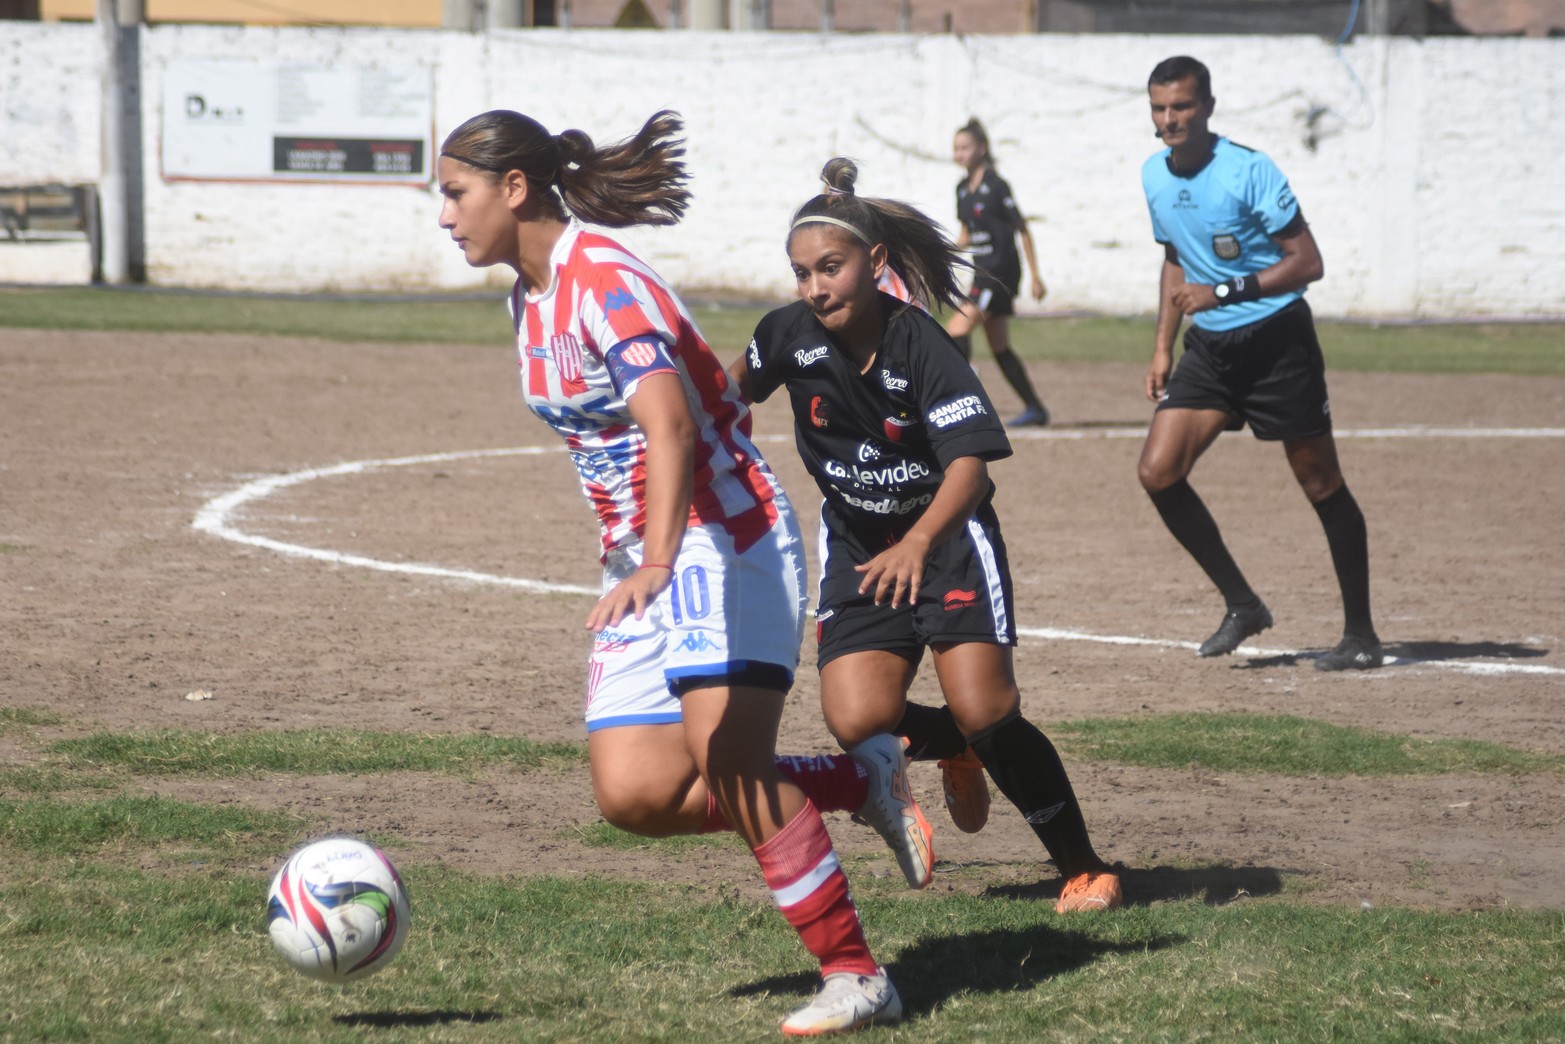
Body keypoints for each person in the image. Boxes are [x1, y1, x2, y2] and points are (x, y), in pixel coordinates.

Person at [436, 109, 933, 1035]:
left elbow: (668, 426)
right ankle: (858, 781)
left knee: (726, 759)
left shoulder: (603, 281)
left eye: (454, 193)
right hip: (644, 558)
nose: (444, 216)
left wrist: (660, 559)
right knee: (635, 794)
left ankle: (857, 973)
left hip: (719, 537)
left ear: (513, 189)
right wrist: (640, 561)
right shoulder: (530, 295)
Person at [728, 157, 1122, 916]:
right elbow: (725, 394)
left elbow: (969, 469)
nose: (815, 287)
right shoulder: (785, 334)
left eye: (830, 268)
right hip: (856, 543)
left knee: (987, 708)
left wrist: (916, 544)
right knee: (855, 720)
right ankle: (959, 747)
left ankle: (1082, 865)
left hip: (946, 540)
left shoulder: (922, 346)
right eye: (801, 272)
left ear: (875, 264)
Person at [1138, 56, 1382, 671]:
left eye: (1183, 106)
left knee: (1321, 483)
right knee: (1158, 472)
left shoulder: (1249, 170)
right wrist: (1164, 344)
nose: (1171, 119)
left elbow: (1308, 262)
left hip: (1278, 344)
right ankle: (1243, 605)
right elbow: (1174, 259)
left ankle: (1361, 636)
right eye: (1161, 108)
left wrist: (1222, 293)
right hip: (1211, 352)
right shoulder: (1154, 176)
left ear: (1209, 108)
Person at [945, 118, 1052, 427]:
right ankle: (1035, 408)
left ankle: (961, 402)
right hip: (982, 273)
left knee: (956, 330)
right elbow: (966, 236)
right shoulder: (962, 190)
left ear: (981, 148)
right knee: (999, 346)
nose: (959, 154)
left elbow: (1022, 229)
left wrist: (1035, 276)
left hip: (1000, 272)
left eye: (965, 147)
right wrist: (938, 251)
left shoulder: (997, 186)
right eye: (956, 149)